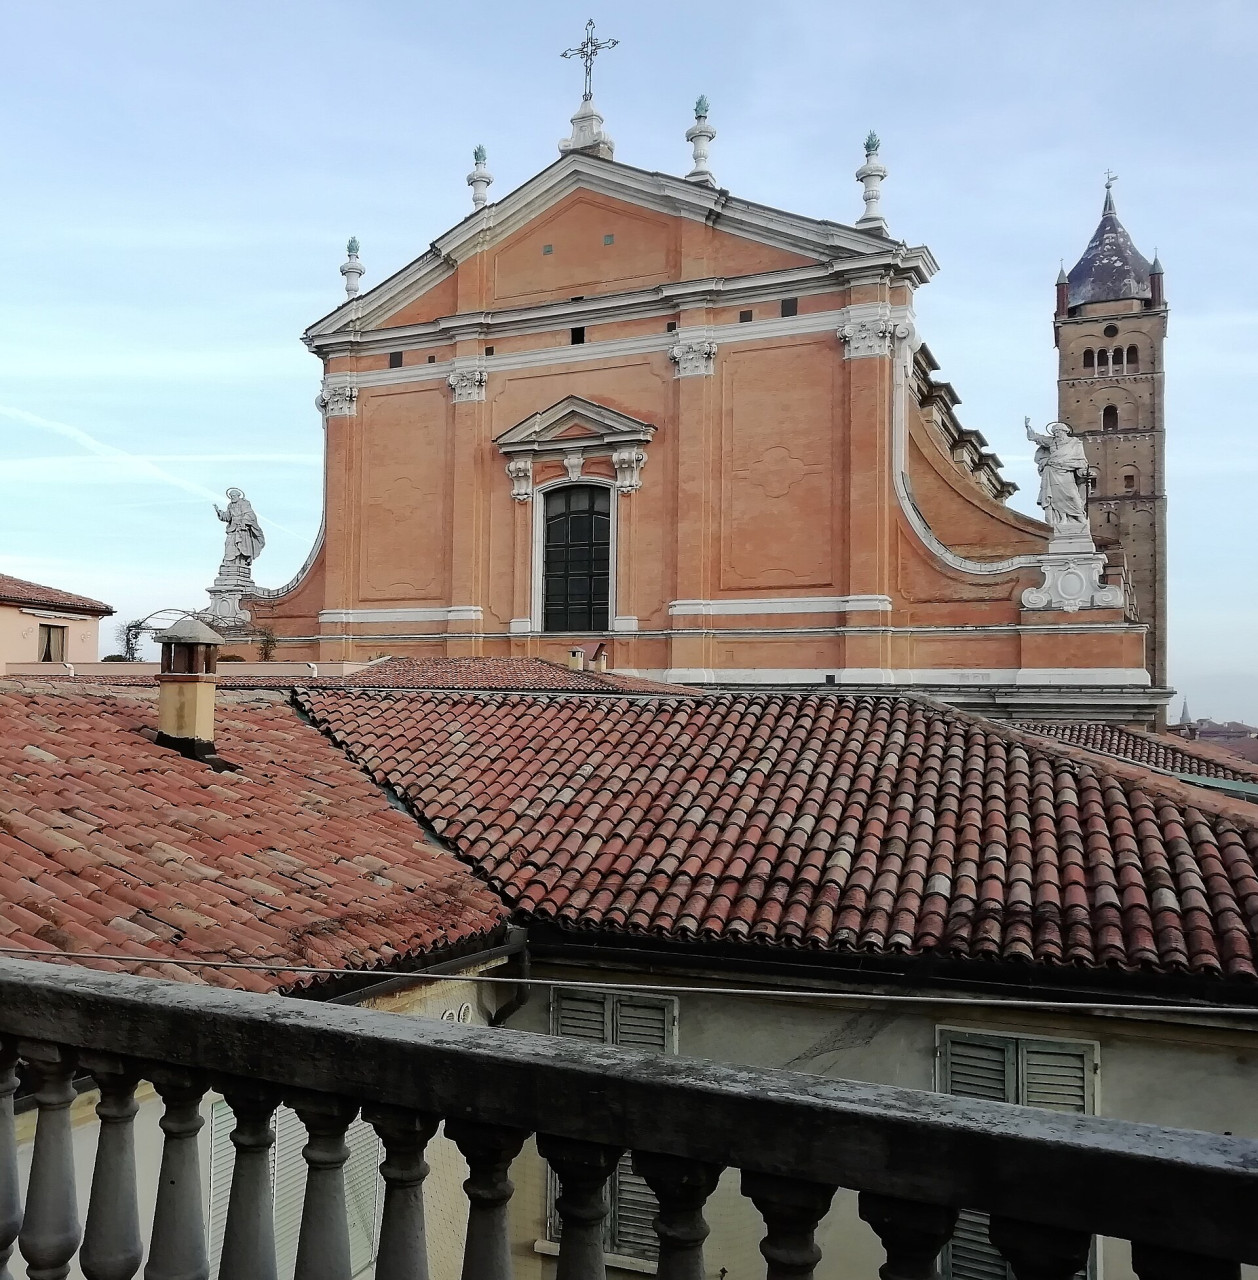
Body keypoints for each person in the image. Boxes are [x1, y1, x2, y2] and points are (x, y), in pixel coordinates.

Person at [1024, 418, 1090, 532]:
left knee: (1073, 496)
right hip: (1052, 472)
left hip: (1066, 473)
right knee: (1055, 499)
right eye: (1054, 432)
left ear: (1065, 431)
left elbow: (1081, 460)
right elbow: (1036, 437)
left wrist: (1083, 471)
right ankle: (1062, 519)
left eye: (1058, 431)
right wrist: (1028, 427)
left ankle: (1079, 518)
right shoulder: (1052, 441)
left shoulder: (1075, 443)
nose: (1056, 434)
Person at [214, 488, 266, 569]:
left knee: (241, 546)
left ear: (238, 496)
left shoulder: (244, 503)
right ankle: (229, 562)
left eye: (234, 496)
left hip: (242, 529)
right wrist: (219, 512)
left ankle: (240, 562)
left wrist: (244, 521)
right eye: (231, 496)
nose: (232, 497)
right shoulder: (230, 505)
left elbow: (250, 514)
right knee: (228, 544)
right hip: (232, 528)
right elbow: (228, 517)